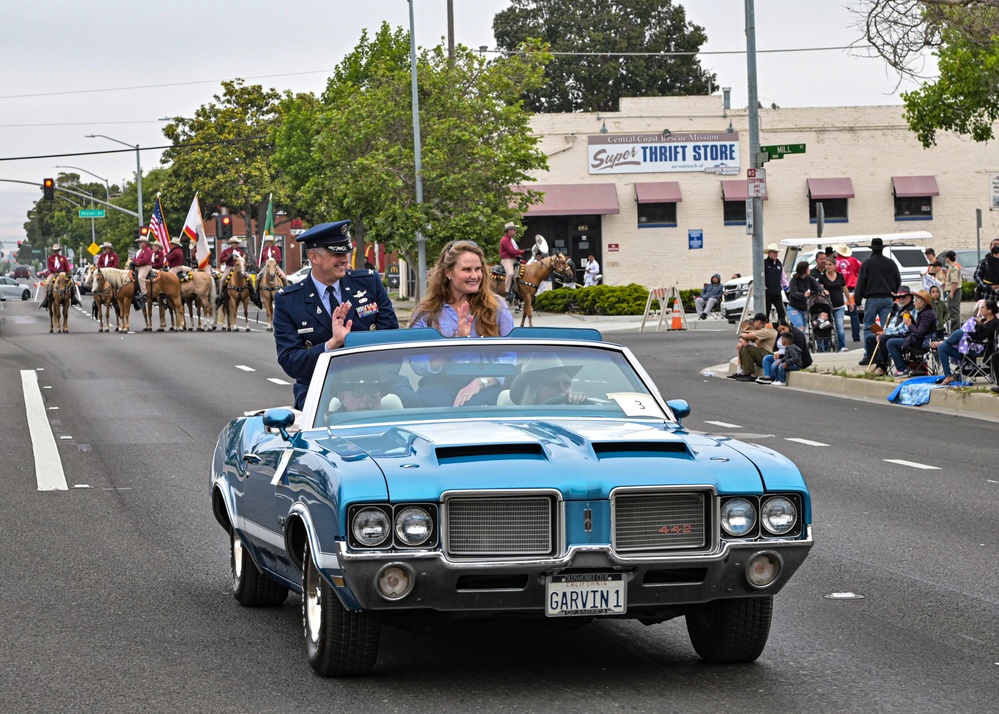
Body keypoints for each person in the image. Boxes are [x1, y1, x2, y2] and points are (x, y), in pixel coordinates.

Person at [272, 220, 398, 410]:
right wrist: (331, 345)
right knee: (323, 414)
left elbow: (392, 343)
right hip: (319, 387)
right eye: (337, 254)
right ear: (314, 257)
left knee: (416, 402)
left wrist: (370, 384)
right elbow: (291, 362)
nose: (345, 259)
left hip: (376, 384)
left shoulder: (369, 284)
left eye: (346, 252)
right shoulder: (288, 301)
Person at [409, 240, 514, 407]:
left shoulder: (498, 307)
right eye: (466, 270)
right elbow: (418, 366)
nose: (475, 276)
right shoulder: (425, 313)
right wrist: (454, 343)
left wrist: (480, 383)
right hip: (439, 386)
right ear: (448, 273)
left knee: (476, 411)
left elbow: (510, 357)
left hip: (487, 385)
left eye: (478, 269)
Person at [854, 236, 901, 362]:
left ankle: (869, 354)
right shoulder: (891, 263)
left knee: (870, 325)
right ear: (882, 249)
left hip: (872, 298)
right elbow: (898, 280)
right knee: (887, 328)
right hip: (887, 298)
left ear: (872, 249)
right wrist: (894, 293)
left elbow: (861, 282)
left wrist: (857, 299)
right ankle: (886, 353)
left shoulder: (867, 263)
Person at [933, 299, 998, 384]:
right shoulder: (983, 320)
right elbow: (974, 327)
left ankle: (942, 341)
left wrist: (967, 334)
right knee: (942, 347)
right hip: (967, 350)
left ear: (990, 310)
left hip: (979, 353)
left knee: (960, 332)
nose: (980, 309)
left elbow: (980, 337)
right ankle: (948, 376)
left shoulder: (994, 323)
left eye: (983, 308)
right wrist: (976, 322)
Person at [885, 289, 937, 377]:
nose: (914, 303)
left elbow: (919, 333)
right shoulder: (925, 312)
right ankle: (904, 367)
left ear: (923, 303)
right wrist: (911, 320)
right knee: (891, 340)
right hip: (920, 340)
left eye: (916, 301)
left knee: (890, 343)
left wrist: (908, 324)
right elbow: (919, 328)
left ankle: (902, 369)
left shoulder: (927, 315)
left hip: (923, 343)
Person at [866, 287, 915, 374]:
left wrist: (885, 333)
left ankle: (882, 366)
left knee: (884, 338)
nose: (900, 299)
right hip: (892, 333)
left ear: (910, 297)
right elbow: (891, 325)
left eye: (903, 297)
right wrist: (881, 332)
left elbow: (904, 328)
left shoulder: (911, 309)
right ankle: (877, 364)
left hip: (904, 335)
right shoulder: (898, 309)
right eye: (899, 297)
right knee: (869, 338)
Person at [509, 355, 587, 405]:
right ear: (533, 390)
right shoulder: (520, 420)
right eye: (553, 384)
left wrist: (580, 405)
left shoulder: (575, 414)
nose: (562, 389)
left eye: (566, 383)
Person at [729, 312, 778, 381]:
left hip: (767, 356)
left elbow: (746, 336)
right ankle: (741, 371)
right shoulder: (759, 331)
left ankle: (752, 374)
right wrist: (742, 340)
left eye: (754, 321)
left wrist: (741, 336)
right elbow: (743, 336)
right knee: (742, 346)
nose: (753, 323)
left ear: (759, 322)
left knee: (747, 348)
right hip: (761, 355)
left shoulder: (767, 331)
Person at [817, 259, 850, 351]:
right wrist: (823, 291)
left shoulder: (840, 276)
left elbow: (845, 289)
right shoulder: (822, 277)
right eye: (826, 264)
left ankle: (842, 346)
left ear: (835, 266)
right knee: (826, 326)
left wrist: (850, 302)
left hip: (839, 306)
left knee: (840, 327)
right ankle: (826, 347)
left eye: (830, 264)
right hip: (827, 306)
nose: (827, 266)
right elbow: (820, 289)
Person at [834, 243, 863, 343]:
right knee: (854, 314)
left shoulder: (835, 262)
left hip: (838, 290)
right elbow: (862, 269)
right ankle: (856, 337)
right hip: (851, 290)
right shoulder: (853, 260)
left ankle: (840, 338)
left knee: (838, 314)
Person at [41, 243, 80, 308]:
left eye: (57, 250)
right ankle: (46, 298)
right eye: (54, 250)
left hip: (63, 274)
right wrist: (55, 271)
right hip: (54, 273)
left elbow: (67, 266)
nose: (55, 252)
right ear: (53, 251)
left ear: (59, 251)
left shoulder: (63, 258)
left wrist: (67, 271)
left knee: (72, 282)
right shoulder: (50, 259)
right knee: (47, 283)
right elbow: (50, 267)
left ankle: (73, 297)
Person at [499, 221, 524, 300]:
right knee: (510, 273)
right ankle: (507, 292)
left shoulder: (510, 239)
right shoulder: (505, 240)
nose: (515, 231)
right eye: (514, 229)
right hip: (507, 259)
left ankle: (518, 290)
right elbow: (512, 251)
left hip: (513, 259)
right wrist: (524, 251)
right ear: (509, 230)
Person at [763, 244, 787, 324]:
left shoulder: (779, 264)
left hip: (777, 291)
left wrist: (786, 286)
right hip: (767, 292)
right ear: (769, 253)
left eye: (776, 252)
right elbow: (760, 276)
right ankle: (766, 328)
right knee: (766, 311)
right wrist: (763, 285)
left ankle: (782, 326)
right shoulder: (764, 263)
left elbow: (783, 278)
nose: (776, 254)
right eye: (774, 252)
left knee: (781, 311)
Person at [131, 235, 154, 309]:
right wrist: (133, 262)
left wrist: (136, 262)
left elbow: (145, 260)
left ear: (145, 243)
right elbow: (134, 258)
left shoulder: (148, 250)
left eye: (141, 242)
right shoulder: (139, 251)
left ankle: (144, 293)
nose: (139, 244)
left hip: (145, 266)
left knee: (140, 277)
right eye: (139, 242)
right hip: (138, 266)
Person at [943, 250, 963, 329]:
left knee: (954, 311)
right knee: (952, 310)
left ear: (948, 258)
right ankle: (954, 329)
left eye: (946, 258)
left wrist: (952, 292)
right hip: (954, 290)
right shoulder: (952, 268)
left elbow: (955, 282)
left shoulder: (953, 268)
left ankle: (955, 329)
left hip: (955, 291)